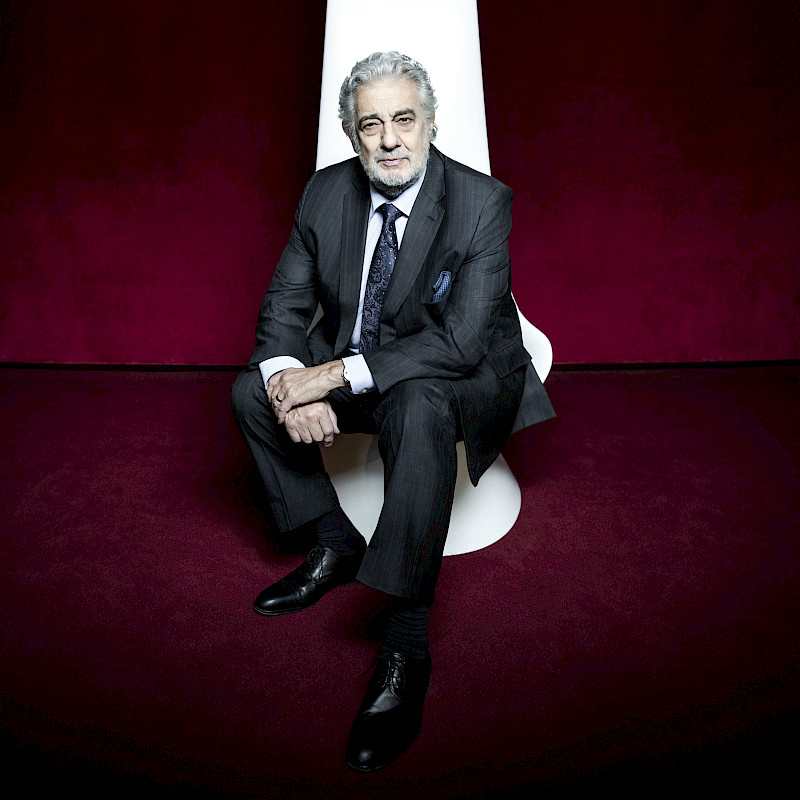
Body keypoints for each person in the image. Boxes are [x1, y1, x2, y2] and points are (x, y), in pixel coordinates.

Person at [231, 51, 555, 772]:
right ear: (352, 134)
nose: (387, 140)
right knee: (250, 389)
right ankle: (333, 541)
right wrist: (287, 382)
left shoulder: (480, 202)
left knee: (417, 402)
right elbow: (285, 304)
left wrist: (331, 375)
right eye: (370, 124)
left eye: (403, 120)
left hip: (453, 377)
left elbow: (461, 342)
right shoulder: (325, 193)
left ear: (431, 123)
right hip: (362, 363)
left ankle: (406, 647)